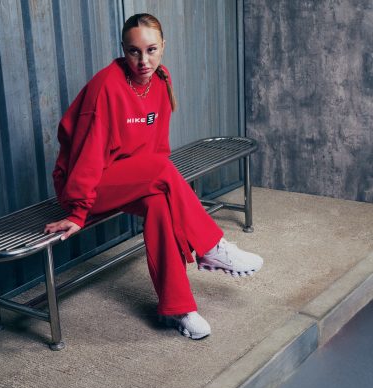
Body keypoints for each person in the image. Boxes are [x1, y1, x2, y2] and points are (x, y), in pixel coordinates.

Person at [44, 13, 263, 340]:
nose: (143, 60)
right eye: (133, 51)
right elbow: (87, 154)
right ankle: (211, 246)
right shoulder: (106, 87)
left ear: (163, 47)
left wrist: (156, 182)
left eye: (151, 50)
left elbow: (157, 147)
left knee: (160, 202)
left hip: (130, 178)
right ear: (123, 50)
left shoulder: (160, 80)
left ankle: (177, 308)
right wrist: (78, 211)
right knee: (162, 171)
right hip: (86, 184)